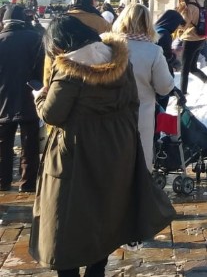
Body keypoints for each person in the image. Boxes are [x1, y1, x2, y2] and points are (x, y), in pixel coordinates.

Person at [31, 16, 175, 277]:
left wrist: (40, 97)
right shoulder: (120, 61)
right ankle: (96, 269)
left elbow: (53, 114)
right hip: (117, 148)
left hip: (76, 153)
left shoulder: (69, 69)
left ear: (61, 44)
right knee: (106, 209)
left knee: (67, 215)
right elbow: (132, 102)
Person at [112, 4, 175, 171]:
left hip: (110, 116)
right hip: (140, 117)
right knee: (139, 166)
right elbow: (164, 87)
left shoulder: (108, 46)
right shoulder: (153, 51)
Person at [0, 4, 44, 193]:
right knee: (30, 144)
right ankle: (27, 183)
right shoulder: (36, 39)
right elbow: (43, 70)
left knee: (3, 143)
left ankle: (3, 180)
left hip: (2, 99)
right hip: (30, 97)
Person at [43, 0, 112, 86]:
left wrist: (47, 84)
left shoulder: (61, 22)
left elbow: (50, 57)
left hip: (63, 80)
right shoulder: (103, 24)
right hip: (95, 82)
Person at [176, 0, 207, 96]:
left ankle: (182, 96)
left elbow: (183, 25)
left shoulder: (188, 7)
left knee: (185, 69)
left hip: (190, 40)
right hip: (200, 40)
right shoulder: (195, 1)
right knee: (192, 67)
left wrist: (176, 18)